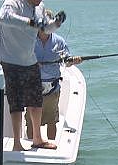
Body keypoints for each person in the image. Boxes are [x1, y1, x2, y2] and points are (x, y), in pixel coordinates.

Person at [0, 0, 66, 151]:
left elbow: (45, 28)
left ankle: (38, 139)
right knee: (16, 103)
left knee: (36, 99)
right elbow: (4, 18)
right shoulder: (12, 2)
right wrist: (30, 22)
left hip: (29, 59)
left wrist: (56, 24)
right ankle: (17, 143)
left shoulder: (39, 7)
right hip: (10, 59)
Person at [25, 10, 82, 140]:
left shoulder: (59, 41)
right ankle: (30, 145)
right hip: (32, 87)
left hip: (52, 88)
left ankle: (51, 145)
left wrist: (73, 61)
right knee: (31, 122)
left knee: (52, 121)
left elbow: (66, 61)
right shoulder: (29, 40)